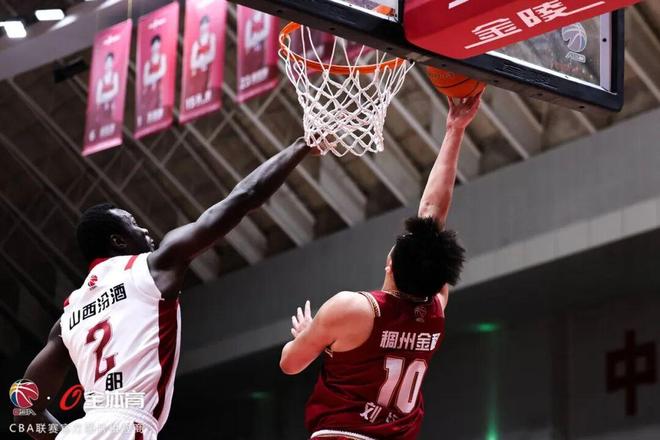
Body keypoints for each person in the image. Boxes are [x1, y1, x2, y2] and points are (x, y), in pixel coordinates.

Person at [14, 138, 313, 440]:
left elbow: (24, 409)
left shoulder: (69, 316)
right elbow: (244, 197)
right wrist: (301, 146)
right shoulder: (150, 269)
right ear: (118, 241)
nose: (145, 229)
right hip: (126, 427)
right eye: (133, 223)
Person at [280, 93, 483, 440]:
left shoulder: (353, 309)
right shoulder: (436, 309)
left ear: (390, 263)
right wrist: (455, 129)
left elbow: (289, 364)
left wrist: (313, 337)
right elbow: (432, 214)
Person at [138, 35, 167, 128]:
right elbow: (145, 81)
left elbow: (162, 72)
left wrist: (151, 77)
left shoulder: (162, 58)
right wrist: (155, 76)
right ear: (152, 47)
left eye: (158, 45)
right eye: (155, 45)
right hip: (149, 94)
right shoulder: (148, 64)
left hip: (159, 91)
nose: (157, 47)